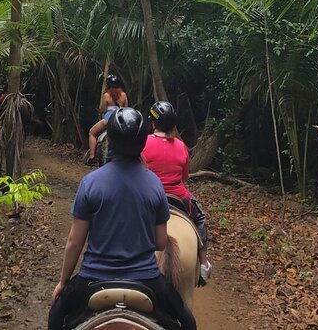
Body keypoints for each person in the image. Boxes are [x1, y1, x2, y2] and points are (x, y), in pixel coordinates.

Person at [49, 108, 196, 330]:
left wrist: (63, 283)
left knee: (56, 316)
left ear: (111, 142)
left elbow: (75, 242)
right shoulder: (154, 184)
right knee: (188, 321)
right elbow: (160, 243)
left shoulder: (90, 183)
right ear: (140, 143)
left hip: (93, 276)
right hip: (147, 278)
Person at [141, 101, 212, 285]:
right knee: (200, 218)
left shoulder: (144, 142)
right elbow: (184, 176)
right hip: (178, 194)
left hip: (148, 194)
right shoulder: (181, 146)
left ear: (153, 123)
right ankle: (203, 264)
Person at [86, 74, 128, 166]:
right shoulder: (123, 95)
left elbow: (104, 110)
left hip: (108, 120)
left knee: (92, 133)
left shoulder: (106, 95)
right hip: (121, 120)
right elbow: (126, 108)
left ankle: (92, 157)